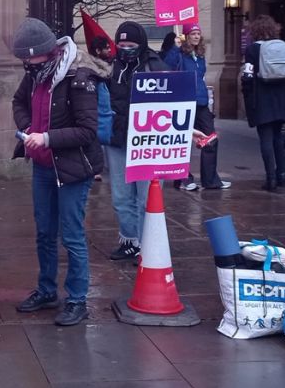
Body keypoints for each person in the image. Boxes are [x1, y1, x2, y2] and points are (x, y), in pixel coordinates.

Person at [11, 17, 104, 326]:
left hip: (73, 169)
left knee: (73, 236)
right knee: (44, 233)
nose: (26, 63)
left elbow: (88, 131)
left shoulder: (79, 78)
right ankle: (46, 290)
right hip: (43, 167)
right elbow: (18, 102)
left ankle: (77, 299)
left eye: (29, 56)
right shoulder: (35, 75)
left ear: (46, 52)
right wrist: (27, 128)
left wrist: (48, 137)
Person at [105, 21, 169, 258]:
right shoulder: (109, 68)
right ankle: (129, 240)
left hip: (147, 143)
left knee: (146, 198)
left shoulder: (156, 66)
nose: (125, 48)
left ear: (140, 44)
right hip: (117, 140)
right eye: (121, 44)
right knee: (121, 197)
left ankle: (147, 244)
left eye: (130, 44)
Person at [163, 24, 229, 191]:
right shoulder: (179, 53)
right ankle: (183, 179)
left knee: (210, 139)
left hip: (200, 102)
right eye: (193, 33)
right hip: (183, 101)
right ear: (186, 35)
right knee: (183, 141)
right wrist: (175, 48)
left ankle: (210, 180)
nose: (196, 36)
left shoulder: (199, 55)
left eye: (198, 33)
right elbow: (167, 66)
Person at [242, 15, 285, 191]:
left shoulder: (252, 50)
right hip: (281, 100)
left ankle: (270, 179)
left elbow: (248, 76)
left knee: (266, 139)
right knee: (278, 138)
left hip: (262, 99)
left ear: (255, 31)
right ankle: (281, 174)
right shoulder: (284, 47)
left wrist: (248, 94)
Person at [90, 36, 116, 182]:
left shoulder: (111, 64)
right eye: (106, 48)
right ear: (98, 50)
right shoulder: (93, 66)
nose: (109, 50)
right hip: (98, 106)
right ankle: (96, 168)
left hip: (108, 105)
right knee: (97, 138)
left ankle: (101, 167)